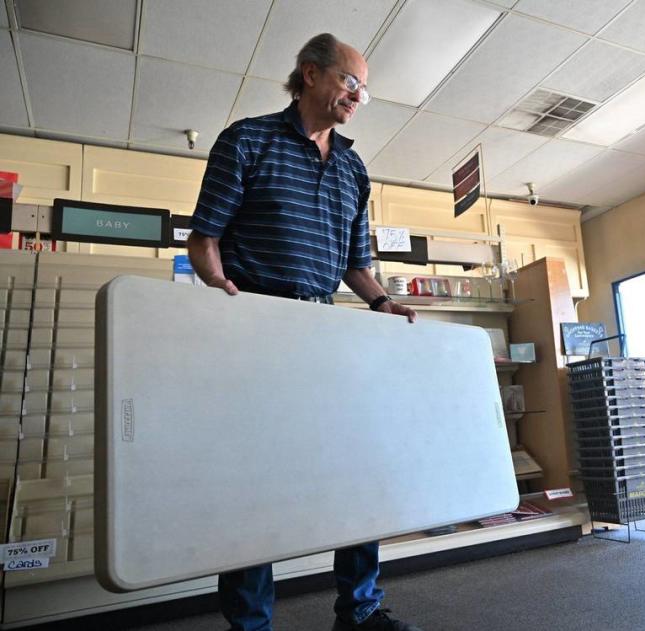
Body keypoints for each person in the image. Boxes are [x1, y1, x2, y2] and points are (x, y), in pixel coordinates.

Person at [187, 33, 421, 631]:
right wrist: (220, 292)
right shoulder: (248, 140)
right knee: (255, 484)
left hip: (322, 331)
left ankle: (361, 612)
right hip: (254, 330)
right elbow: (204, 237)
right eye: (351, 81)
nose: (359, 96)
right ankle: (252, 625)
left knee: (355, 467)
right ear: (311, 75)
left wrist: (383, 303)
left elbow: (354, 263)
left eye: (363, 88)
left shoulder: (352, 166)